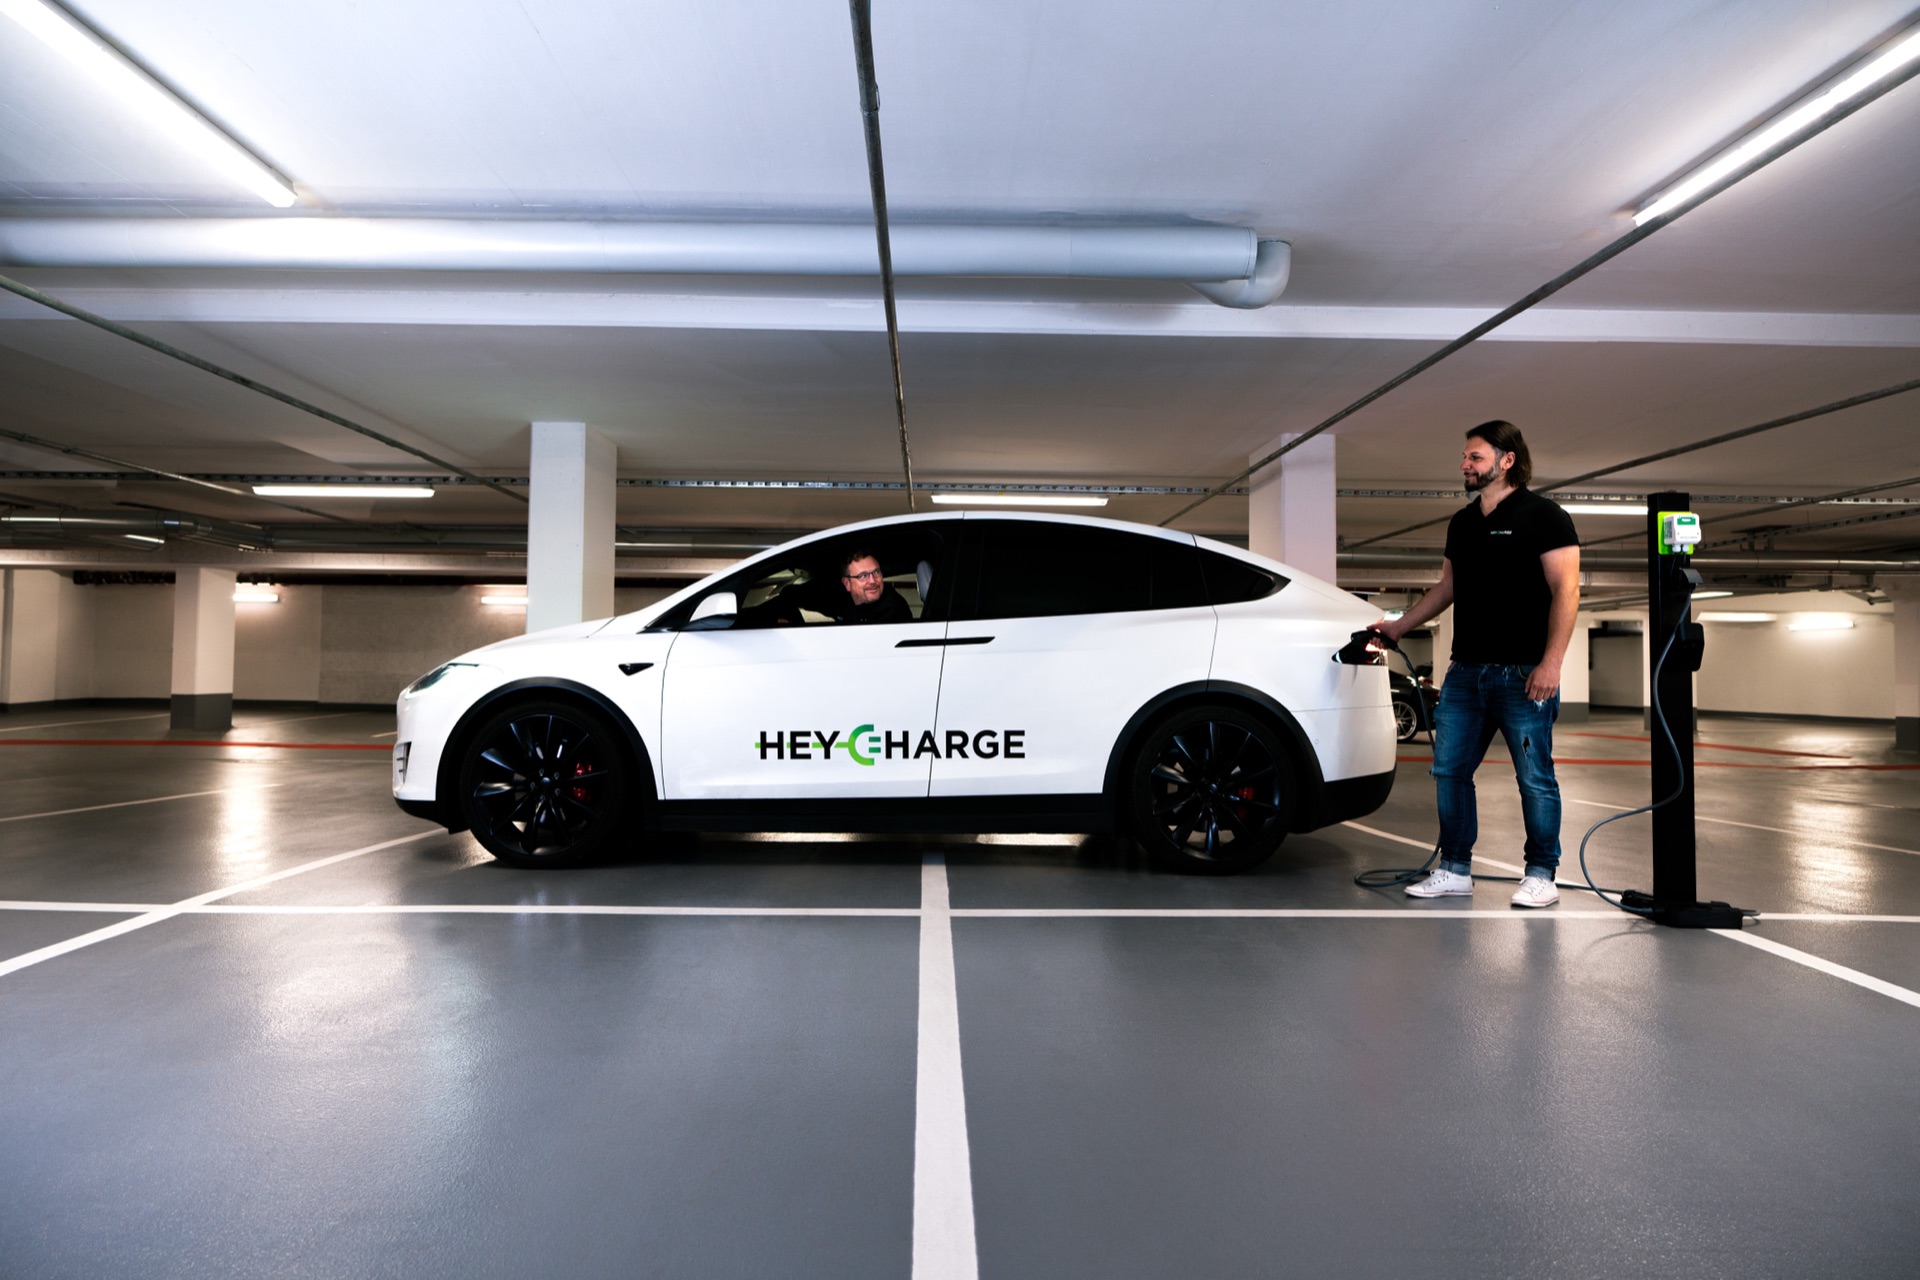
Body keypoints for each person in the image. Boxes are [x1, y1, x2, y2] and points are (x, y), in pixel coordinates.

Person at [1370, 420, 1580, 908]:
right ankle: (1455, 868)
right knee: (1449, 771)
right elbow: (1448, 588)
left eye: (1475, 457)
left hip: (1523, 674)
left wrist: (1551, 663)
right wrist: (1398, 626)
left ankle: (1542, 874)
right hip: (1465, 673)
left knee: (1534, 778)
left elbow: (1566, 591)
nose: (1465, 464)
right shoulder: (1462, 523)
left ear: (1507, 461)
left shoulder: (1545, 516)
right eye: (1465, 457)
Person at [826, 549, 912, 624]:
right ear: (847, 584)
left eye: (876, 572)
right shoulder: (842, 601)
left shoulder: (894, 609)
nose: (872, 581)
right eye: (863, 576)